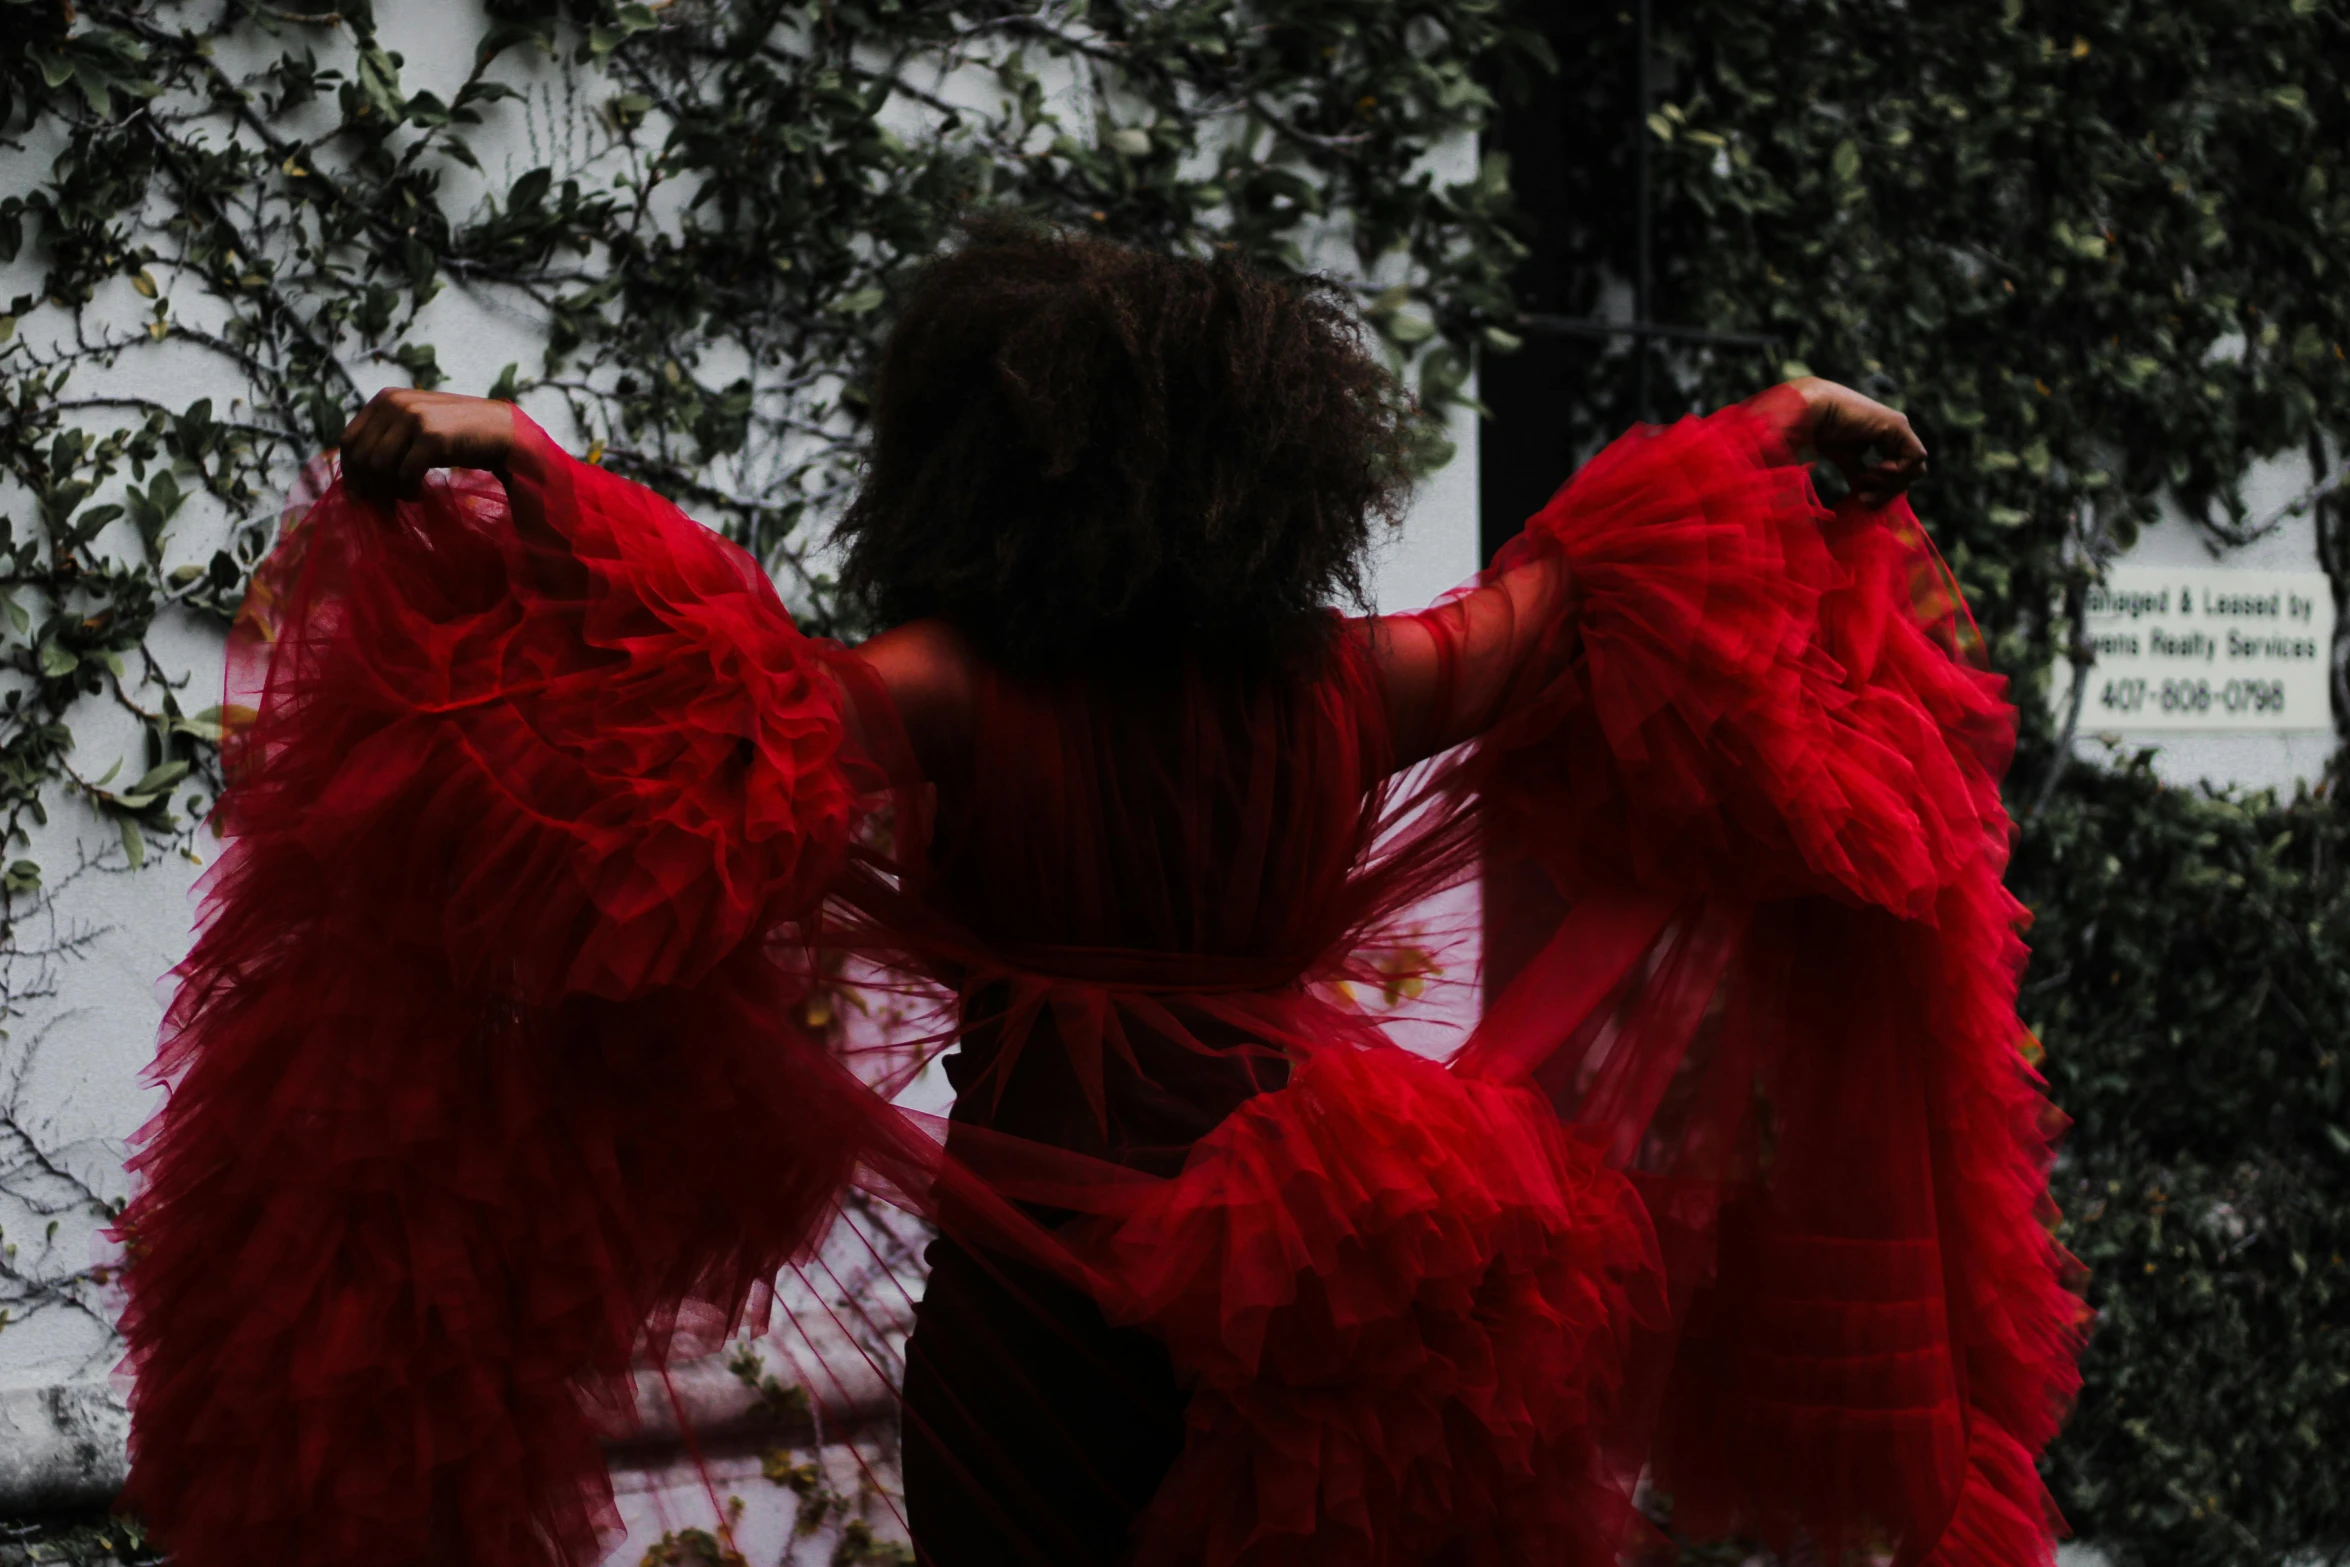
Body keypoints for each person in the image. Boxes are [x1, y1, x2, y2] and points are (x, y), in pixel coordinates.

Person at [114, 225, 2078, 1567]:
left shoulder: (960, 691)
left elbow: (714, 712)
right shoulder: (1347, 685)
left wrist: (530, 471)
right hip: (1328, 1274)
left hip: (1042, 1279)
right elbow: (1584, 601)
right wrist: (1763, 440)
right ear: (1270, 473)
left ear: (978, 474)